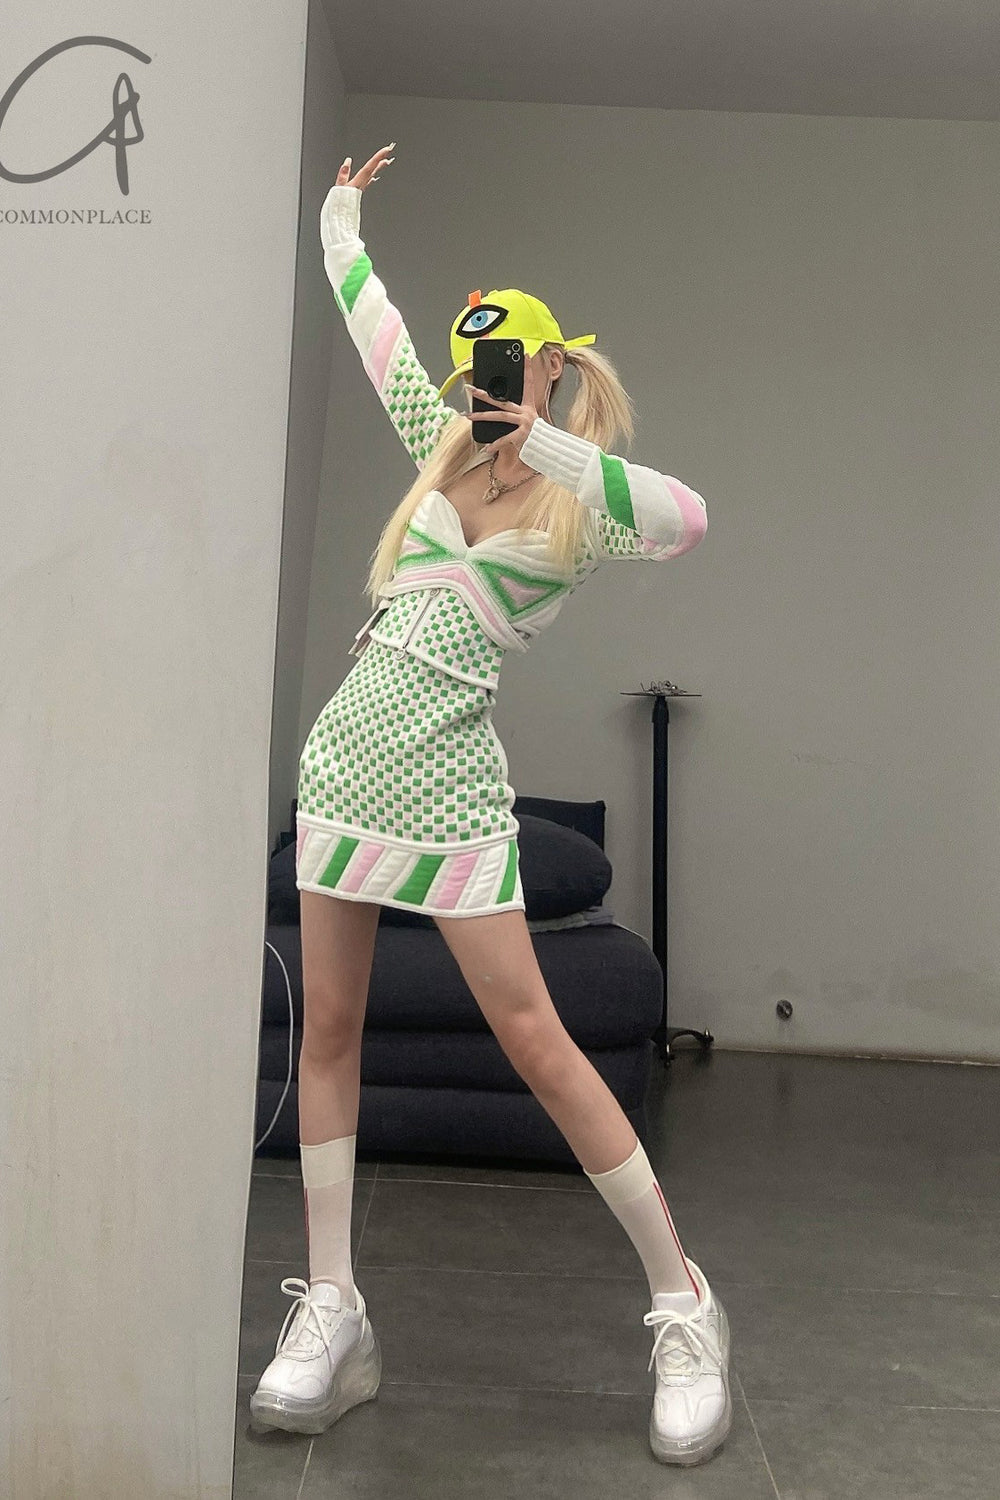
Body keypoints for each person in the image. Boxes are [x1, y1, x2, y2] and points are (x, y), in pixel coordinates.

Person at [249, 142, 729, 1468]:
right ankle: (334, 1308)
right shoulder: (438, 444)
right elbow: (374, 335)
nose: (485, 388)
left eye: (508, 366)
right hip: (344, 763)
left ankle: (685, 1306)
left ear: (553, 367)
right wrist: (341, 219)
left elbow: (688, 519)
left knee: (536, 1039)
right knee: (326, 1031)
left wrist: (553, 448)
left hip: (452, 779)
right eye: (476, 368)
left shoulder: (579, 503)